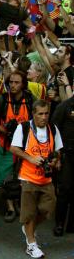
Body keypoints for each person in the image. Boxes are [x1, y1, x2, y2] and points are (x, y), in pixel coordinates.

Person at [10, 99, 63, 259]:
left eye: (46, 113)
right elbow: (13, 148)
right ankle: (31, 244)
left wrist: (55, 161)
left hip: (46, 179)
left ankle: (28, 229)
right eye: (40, 114)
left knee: (48, 209)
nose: (44, 117)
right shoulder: (24, 128)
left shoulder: (53, 129)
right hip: (28, 177)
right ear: (33, 114)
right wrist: (31, 158)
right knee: (29, 212)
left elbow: (58, 151)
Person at [0, 70, 34, 222]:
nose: (13, 85)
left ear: (23, 84)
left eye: (17, 82)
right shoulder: (1, 100)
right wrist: (4, 130)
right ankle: (10, 207)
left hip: (24, 147)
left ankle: (18, 204)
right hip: (6, 145)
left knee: (23, 178)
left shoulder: (30, 100)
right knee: (4, 178)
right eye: (11, 82)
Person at [51, 90, 74, 236]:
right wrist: (56, 156)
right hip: (67, 154)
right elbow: (53, 131)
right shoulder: (65, 106)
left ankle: (72, 224)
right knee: (65, 189)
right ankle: (59, 224)